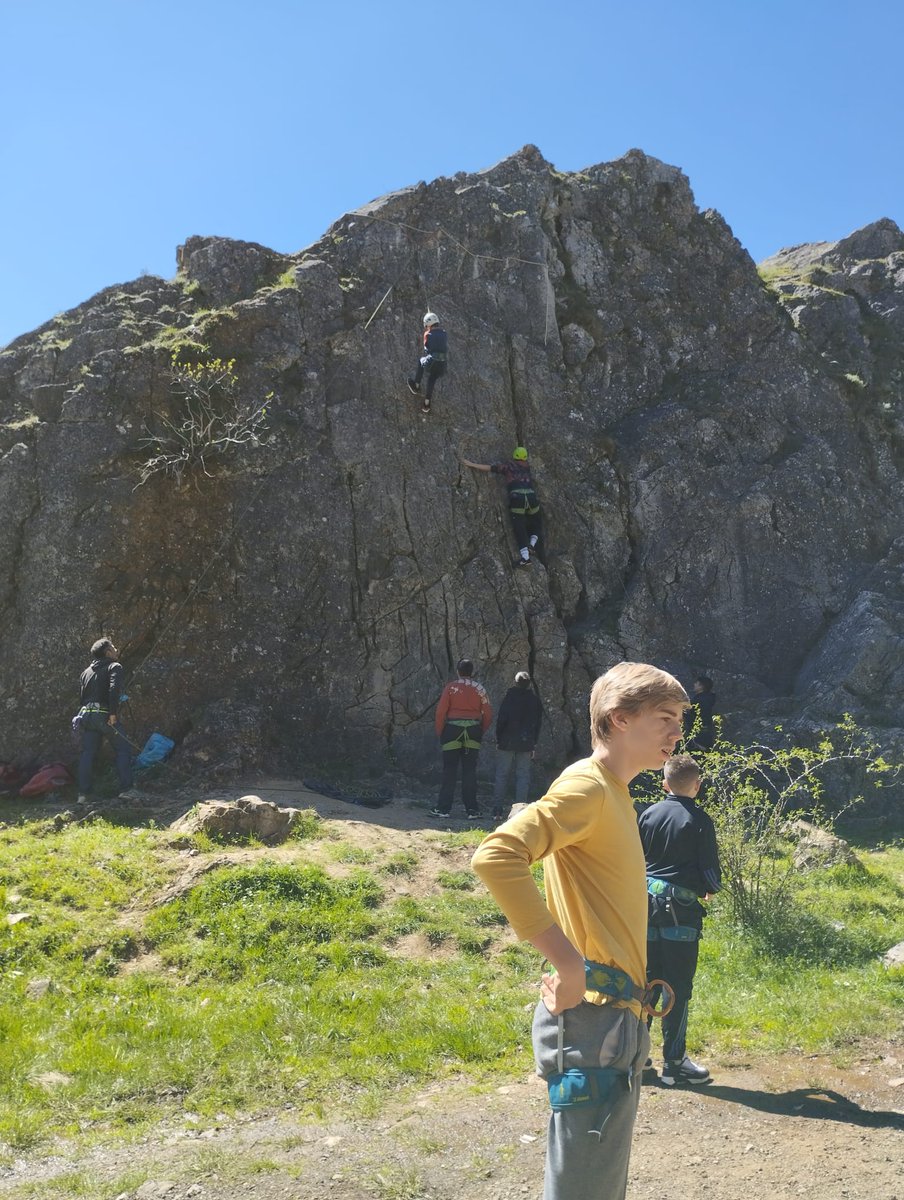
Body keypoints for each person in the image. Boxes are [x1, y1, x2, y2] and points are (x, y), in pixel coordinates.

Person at [472, 662, 688, 1200]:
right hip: (592, 1021)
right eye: (665, 718)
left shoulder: (617, 794)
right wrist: (567, 964)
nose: (677, 732)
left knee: (597, 1185)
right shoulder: (588, 786)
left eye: (680, 719)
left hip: (615, 1021)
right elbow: (497, 856)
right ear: (618, 719)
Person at [638, 752, 721, 1087]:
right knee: (677, 987)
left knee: (645, 984)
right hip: (680, 914)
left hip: (643, 909)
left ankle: (638, 1061)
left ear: (664, 783)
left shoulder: (646, 814)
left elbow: (635, 860)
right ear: (697, 786)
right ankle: (675, 1063)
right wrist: (710, 890)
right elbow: (711, 872)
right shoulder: (700, 821)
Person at [430, 658, 492, 820]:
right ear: (472, 672)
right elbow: (488, 714)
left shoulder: (451, 687)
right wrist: (480, 731)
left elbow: (440, 712)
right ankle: (472, 810)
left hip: (451, 730)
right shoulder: (480, 689)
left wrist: (440, 732)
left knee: (449, 770)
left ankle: (443, 809)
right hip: (473, 731)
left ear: (458, 671)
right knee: (469, 771)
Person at [461, 446, 542, 567]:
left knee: (518, 526)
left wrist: (472, 464)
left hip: (517, 498)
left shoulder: (508, 466)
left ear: (514, 456)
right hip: (531, 497)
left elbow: (490, 468)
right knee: (536, 521)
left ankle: (525, 557)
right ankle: (532, 543)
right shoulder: (527, 467)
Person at [75, 637, 133, 804]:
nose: (116, 649)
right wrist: (113, 713)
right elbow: (113, 688)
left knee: (88, 753)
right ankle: (126, 790)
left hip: (86, 715)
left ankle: (83, 795)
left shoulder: (85, 672)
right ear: (107, 652)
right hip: (104, 713)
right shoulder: (114, 666)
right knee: (123, 749)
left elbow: (82, 697)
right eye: (113, 647)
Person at [491, 670, 542, 823]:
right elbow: (537, 724)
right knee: (523, 777)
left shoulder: (509, 698)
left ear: (515, 682)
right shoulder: (534, 701)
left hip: (506, 741)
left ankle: (497, 810)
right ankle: (520, 813)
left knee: (502, 775)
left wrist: (499, 739)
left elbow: (501, 720)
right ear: (529, 684)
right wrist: (534, 743)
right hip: (526, 743)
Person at [407, 312, 447, 414]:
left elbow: (427, 349)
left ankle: (416, 386)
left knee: (421, 361)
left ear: (428, 324)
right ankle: (426, 403)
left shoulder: (427, 334)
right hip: (442, 363)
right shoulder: (444, 333)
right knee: (432, 378)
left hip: (432, 360)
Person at [683, 675, 716, 750]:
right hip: (708, 733)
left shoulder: (699, 700)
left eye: (696, 683)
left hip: (699, 734)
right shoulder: (711, 699)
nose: (694, 685)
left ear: (701, 686)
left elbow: (694, 716)